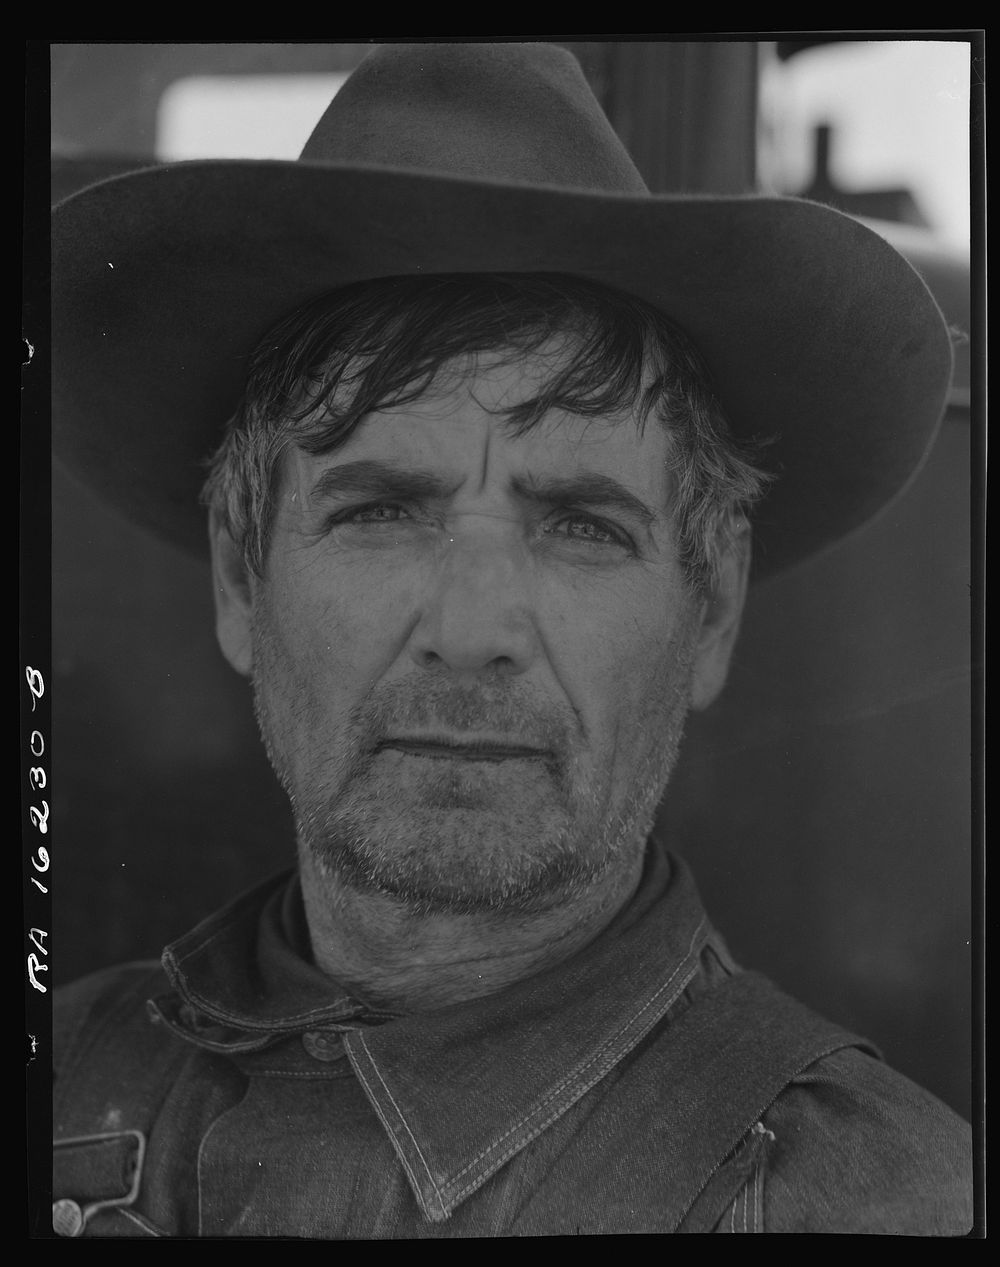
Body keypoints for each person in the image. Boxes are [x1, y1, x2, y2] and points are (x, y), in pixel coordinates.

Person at [50, 42, 972, 1237]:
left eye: (582, 526)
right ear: (242, 574)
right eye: (381, 509)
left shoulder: (883, 1204)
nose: (473, 631)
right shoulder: (63, 1072)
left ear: (711, 607)